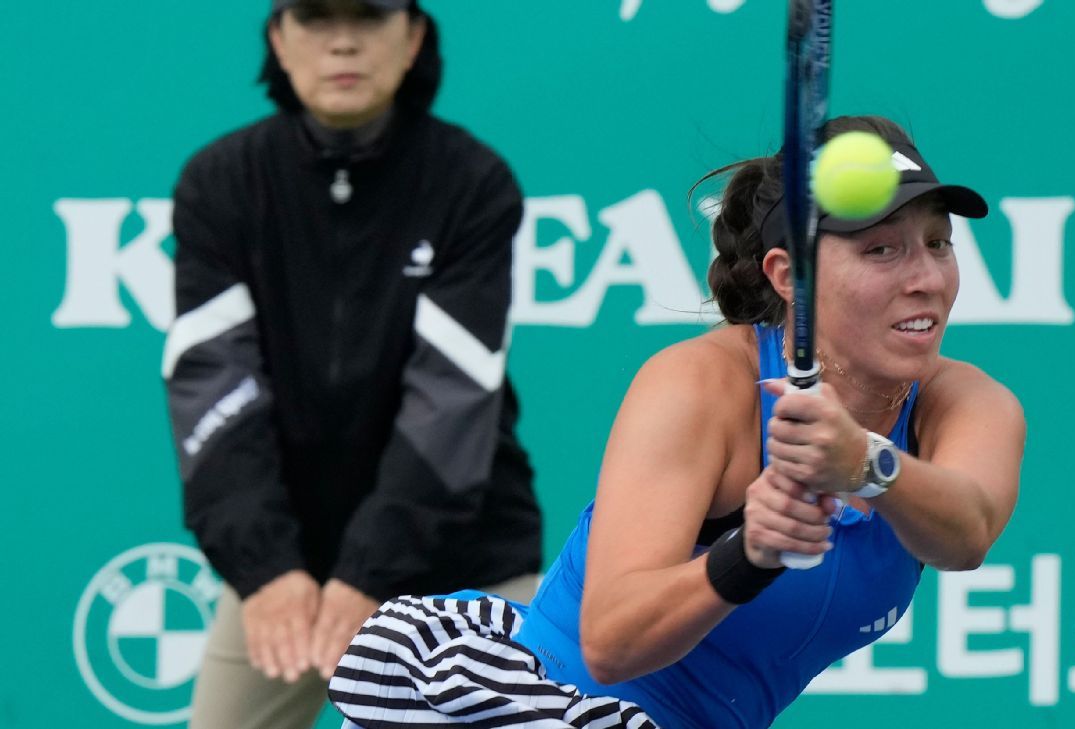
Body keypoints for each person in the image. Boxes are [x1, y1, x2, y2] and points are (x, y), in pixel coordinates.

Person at [326, 115, 1025, 728]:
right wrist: (751, 551)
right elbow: (611, 641)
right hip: (548, 708)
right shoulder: (700, 385)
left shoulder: (966, 403)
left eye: (939, 243)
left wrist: (865, 464)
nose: (927, 278)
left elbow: (966, 534)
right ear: (789, 277)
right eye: (882, 250)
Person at [162, 1, 542, 727]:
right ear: (278, 38)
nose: (342, 42)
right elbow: (214, 391)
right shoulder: (220, 182)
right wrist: (267, 569)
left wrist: (372, 572)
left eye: (368, 16)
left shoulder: (472, 182)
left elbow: (450, 402)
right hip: (285, 572)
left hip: (465, 564)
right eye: (315, 17)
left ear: (413, 37)